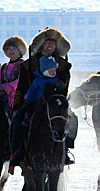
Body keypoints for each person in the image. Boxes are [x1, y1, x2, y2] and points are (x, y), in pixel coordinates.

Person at [10, 28, 77, 172]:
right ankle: (17, 152)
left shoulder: (63, 65)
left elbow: (66, 82)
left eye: (53, 43)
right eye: (47, 43)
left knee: (73, 120)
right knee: (17, 121)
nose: (50, 46)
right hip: (33, 101)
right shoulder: (29, 64)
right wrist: (17, 107)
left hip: (56, 101)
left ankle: (65, 152)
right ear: (41, 45)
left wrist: (60, 89)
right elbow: (21, 87)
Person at [0, 36, 27, 111]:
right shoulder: (4, 66)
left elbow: (21, 82)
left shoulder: (24, 65)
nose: (11, 51)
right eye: (8, 49)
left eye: (14, 48)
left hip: (21, 99)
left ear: (20, 50)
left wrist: (5, 87)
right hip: (4, 99)